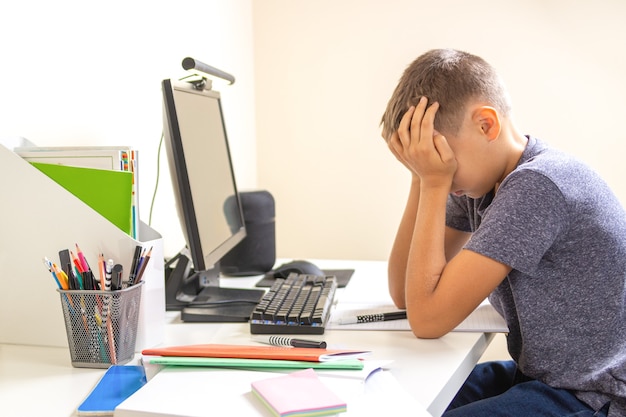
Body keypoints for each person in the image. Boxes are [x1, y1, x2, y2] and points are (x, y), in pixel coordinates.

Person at [379, 48, 626, 417]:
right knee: (398, 399)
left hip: (591, 393)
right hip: (543, 377)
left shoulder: (537, 186)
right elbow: (405, 294)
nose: (440, 172)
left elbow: (428, 320)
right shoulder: (479, 183)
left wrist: (432, 182)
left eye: (439, 156)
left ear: (486, 125)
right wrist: (421, 176)